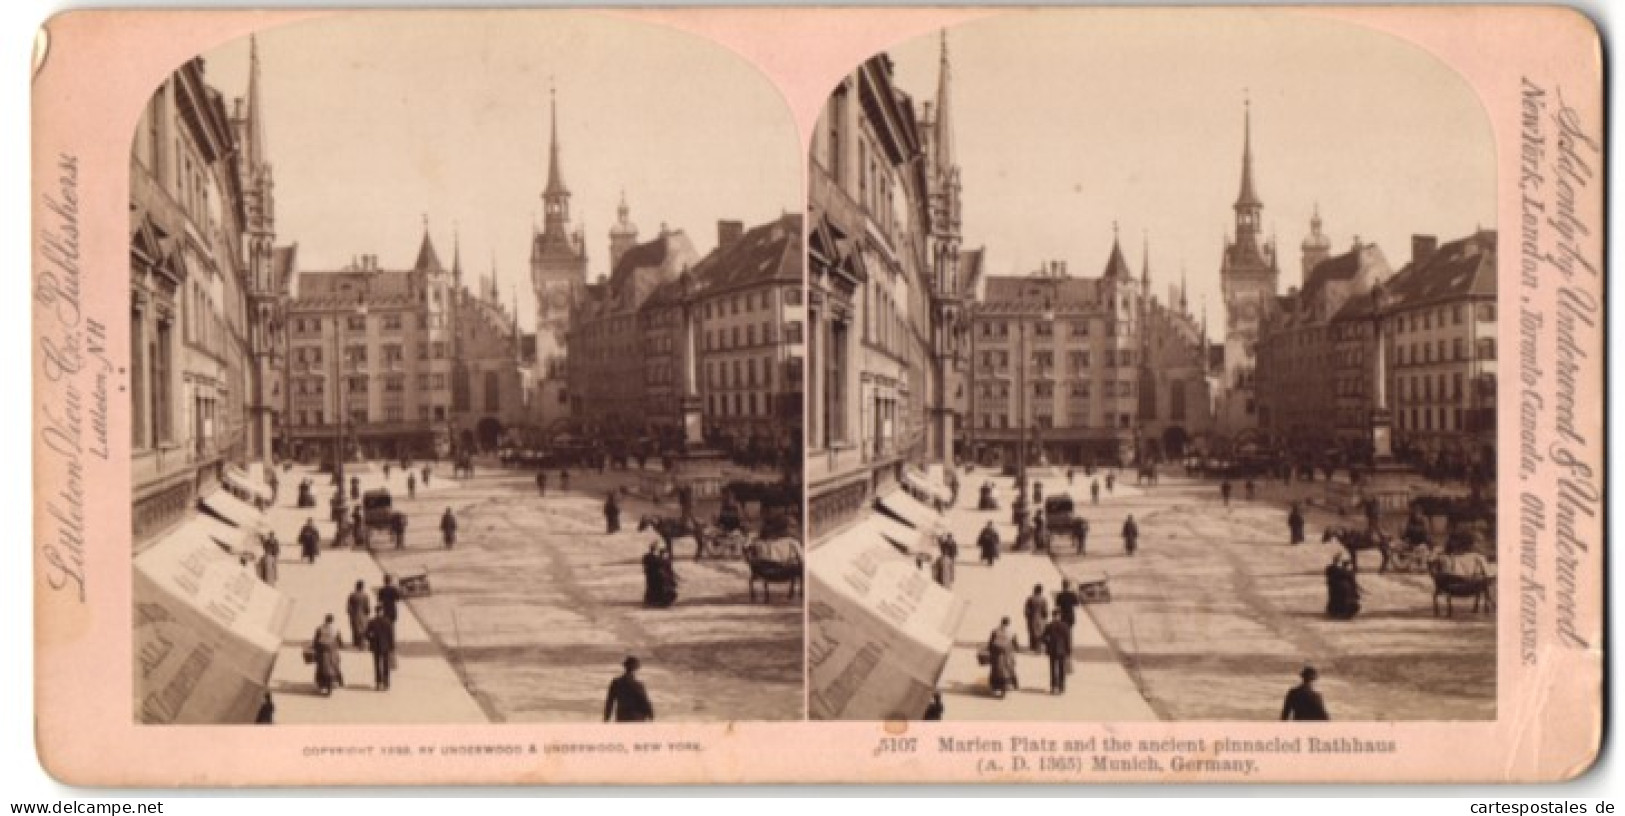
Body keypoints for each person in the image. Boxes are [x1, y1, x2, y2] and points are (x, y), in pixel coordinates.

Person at [604, 656, 655, 722]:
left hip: (621, 716)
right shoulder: (638, 684)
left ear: (625, 667)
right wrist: (651, 715)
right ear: (636, 668)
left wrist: (606, 718)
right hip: (636, 717)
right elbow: (645, 702)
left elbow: (609, 702)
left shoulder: (616, 682)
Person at [1041, 609, 1073, 694]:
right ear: (1060, 616)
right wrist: (1069, 650)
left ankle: (1054, 686)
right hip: (1062, 650)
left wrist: (1048, 642)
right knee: (1062, 669)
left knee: (1053, 669)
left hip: (1052, 650)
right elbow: (1068, 639)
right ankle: (1061, 687)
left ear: (1053, 616)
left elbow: (1043, 638)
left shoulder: (1049, 626)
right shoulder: (1065, 626)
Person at [365, 607, 396, 691]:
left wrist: (371, 637)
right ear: (382, 612)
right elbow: (391, 635)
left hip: (376, 646)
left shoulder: (372, 622)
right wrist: (392, 646)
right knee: (386, 665)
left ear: (376, 612)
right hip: (385, 646)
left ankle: (378, 683)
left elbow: (366, 634)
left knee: (377, 665)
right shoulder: (387, 622)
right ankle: (386, 683)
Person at [312, 614, 343, 695]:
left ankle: (320, 684)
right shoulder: (336, 629)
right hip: (332, 650)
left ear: (325, 620)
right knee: (335, 665)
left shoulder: (320, 628)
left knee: (320, 667)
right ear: (332, 621)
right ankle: (337, 681)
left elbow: (315, 640)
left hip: (322, 651)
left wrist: (315, 648)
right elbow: (340, 641)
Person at [987, 618, 1018, 698]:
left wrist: (991, 651)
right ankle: (1010, 686)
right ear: (1009, 624)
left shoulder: (995, 631)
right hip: (1007, 655)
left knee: (995, 671)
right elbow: (1015, 645)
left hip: (997, 655)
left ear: (1001, 623)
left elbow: (990, 643)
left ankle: (995, 687)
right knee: (1009, 670)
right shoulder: (1012, 632)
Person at [1325, 556, 1361, 620]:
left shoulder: (1331, 569)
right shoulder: (1344, 572)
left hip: (1337, 593)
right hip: (1343, 593)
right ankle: (1342, 613)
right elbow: (1352, 581)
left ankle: (1337, 612)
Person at [1054, 580, 1081, 658]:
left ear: (1062, 586)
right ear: (1068, 586)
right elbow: (1077, 604)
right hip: (1071, 616)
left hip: (1063, 616)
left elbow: (1057, 605)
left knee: (1063, 633)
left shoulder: (1060, 595)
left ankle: (1064, 648)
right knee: (1069, 632)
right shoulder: (1072, 594)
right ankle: (1069, 649)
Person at [1023, 585, 1049, 654]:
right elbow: (1045, 611)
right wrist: (1045, 618)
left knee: (1032, 632)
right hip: (1040, 618)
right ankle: (1039, 647)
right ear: (1041, 591)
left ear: (1034, 590)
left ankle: (1033, 646)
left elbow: (1026, 610)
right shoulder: (1043, 599)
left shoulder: (1030, 599)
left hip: (1032, 618)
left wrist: (1028, 617)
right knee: (1040, 632)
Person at [345, 580, 371, 650]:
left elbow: (348, 607)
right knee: (363, 629)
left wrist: (350, 614)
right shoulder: (365, 595)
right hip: (363, 615)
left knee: (354, 629)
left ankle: (356, 643)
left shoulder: (352, 595)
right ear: (362, 587)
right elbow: (367, 607)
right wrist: (367, 614)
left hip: (354, 615)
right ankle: (362, 644)